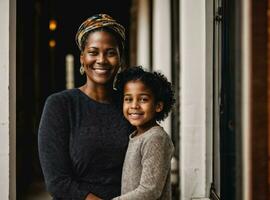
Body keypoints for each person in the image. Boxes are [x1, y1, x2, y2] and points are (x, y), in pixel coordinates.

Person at [38, 14, 133, 200]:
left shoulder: (130, 106)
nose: (102, 60)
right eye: (93, 52)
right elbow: (57, 182)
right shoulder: (60, 106)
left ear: (120, 59)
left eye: (111, 52)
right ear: (82, 58)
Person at [114, 66, 176, 199]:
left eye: (143, 99)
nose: (134, 105)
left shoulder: (156, 138)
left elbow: (150, 190)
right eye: (128, 99)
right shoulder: (135, 136)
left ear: (158, 106)